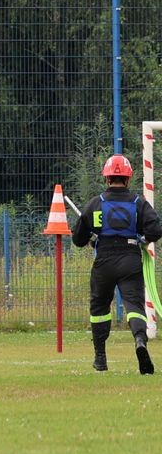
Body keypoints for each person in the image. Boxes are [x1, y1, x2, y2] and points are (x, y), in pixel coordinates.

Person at [71, 154, 162, 374]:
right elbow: (156, 229)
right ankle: (140, 340)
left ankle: (100, 358)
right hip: (130, 258)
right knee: (134, 305)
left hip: (104, 260)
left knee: (99, 307)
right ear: (128, 179)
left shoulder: (96, 203)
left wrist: (92, 239)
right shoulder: (138, 202)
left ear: (107, 178)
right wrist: (142, 239)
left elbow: (78, 239)